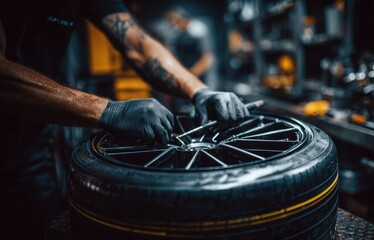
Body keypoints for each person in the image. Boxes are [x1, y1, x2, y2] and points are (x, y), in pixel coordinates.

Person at [0, 0, 249, 239]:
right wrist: (110, 111)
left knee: (35, 224)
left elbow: (137, 45)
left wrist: (199, 91)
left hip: (32, 141)